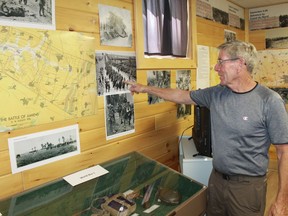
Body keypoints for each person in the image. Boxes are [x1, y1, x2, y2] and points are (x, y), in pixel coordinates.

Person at [126, 40, 288, 216]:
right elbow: (181, 95)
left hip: (247, 189)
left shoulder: (269, 101)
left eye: (221, 62)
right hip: (216, 181)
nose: (216, 68)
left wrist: (281, 200)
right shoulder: (216, 94)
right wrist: (144, 88)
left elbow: (284, 153)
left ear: (240, 64)